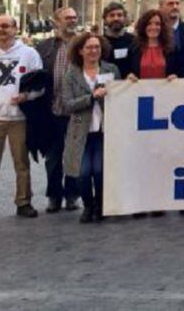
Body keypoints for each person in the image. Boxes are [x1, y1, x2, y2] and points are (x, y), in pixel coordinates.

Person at [0, 15, 44, 223]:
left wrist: (27, 96)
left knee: (22, 163)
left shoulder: (29, 54)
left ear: (15, 28)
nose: (1, 30)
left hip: (19, 118)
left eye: (5, 26)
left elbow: (40, 85)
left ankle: (23, 201)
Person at [61, 32, 119, 223]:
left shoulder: (111, 69)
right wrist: (91, 97)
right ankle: (88, 205)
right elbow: (67, 104)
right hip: (80, 131)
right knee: (83, 172)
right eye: (89, 47)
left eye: (97, 47)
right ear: (80, 51)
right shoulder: (71, 74)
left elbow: (120, 96)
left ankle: (101, 206)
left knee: (100, 171)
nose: (94, 51)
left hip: (104, 130)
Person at [35, 6, 80, 214]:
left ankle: (72, 196)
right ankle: (54, 196)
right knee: (53, 158)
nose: (72, 20)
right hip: (52, 110)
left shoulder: (84, 44)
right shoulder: (44, 47)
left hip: (77, 111)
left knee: (74, 157)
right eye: (67, 18)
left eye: (74, 17)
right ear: (56, 22)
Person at [127, 9, 176, 81]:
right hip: (140, 88)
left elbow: (178, 70)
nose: (153, 27)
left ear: (162, 27)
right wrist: (129, 75)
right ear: (143, 26)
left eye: (157, 24)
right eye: (149, 24)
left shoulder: (171, 48)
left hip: (165, 88)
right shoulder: (134, 48)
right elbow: (127, 70)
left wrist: (174, 75)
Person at [100, 2, 134, 77]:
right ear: (105, 19)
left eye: (119, 15)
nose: (116, 18)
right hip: (106, 83)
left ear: (125, 18)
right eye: (112, 15)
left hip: (129, 82)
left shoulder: (134, 41)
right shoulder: (99, 42)